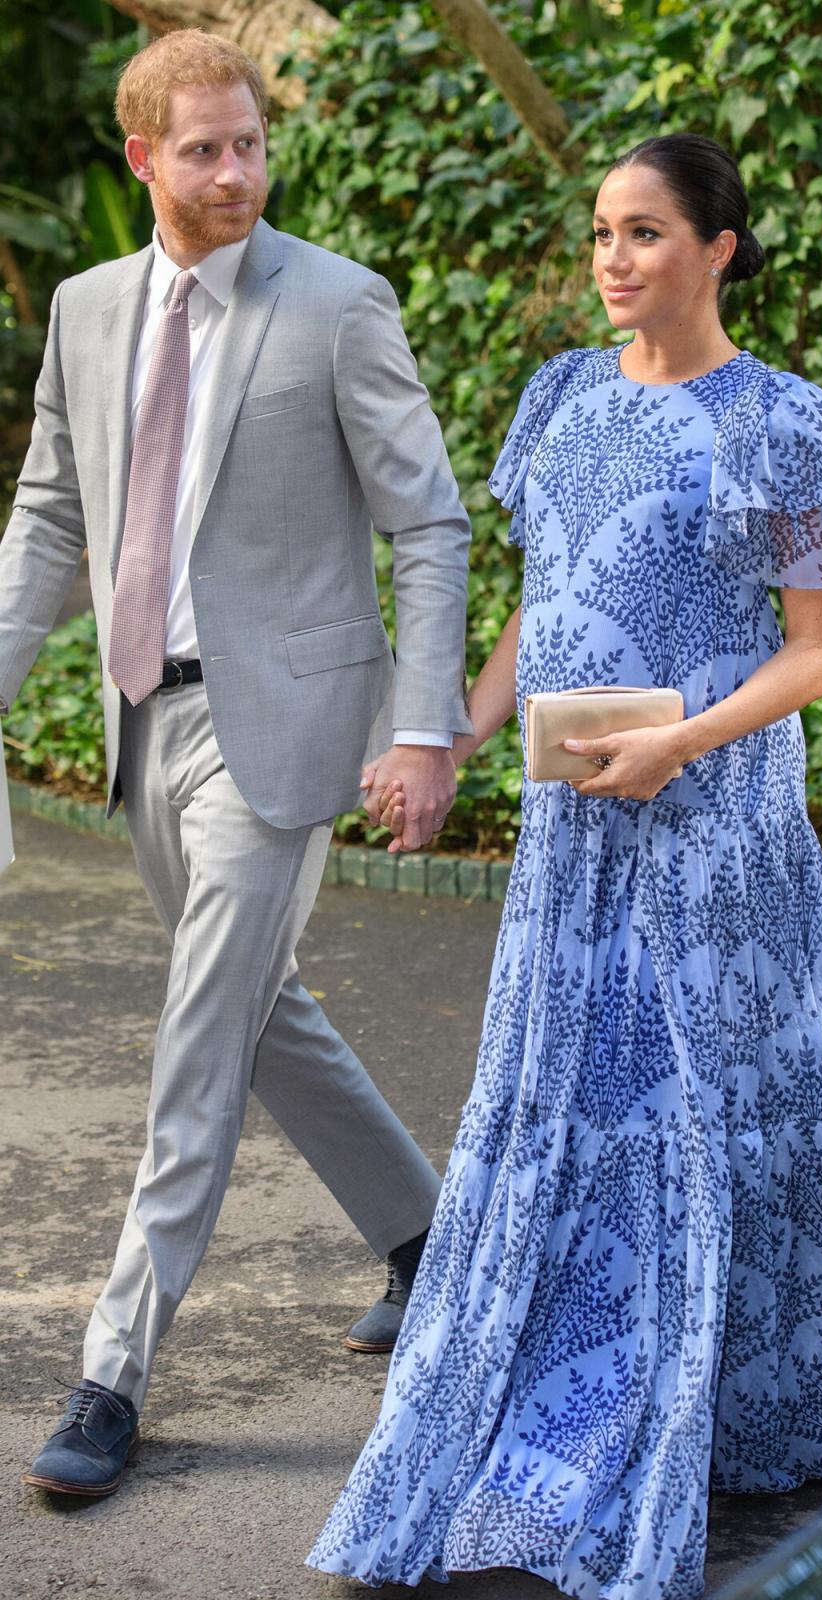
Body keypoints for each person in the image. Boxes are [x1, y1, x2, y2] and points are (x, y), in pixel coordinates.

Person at [307, 133, 822, 1599]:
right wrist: (451, 738)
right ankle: (566, 1412)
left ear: (720, 248)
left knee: (719, 1117)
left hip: (720, 846)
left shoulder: (786, 424)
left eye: (647, 233)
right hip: (570, 843)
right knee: (576, 1114)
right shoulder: (561, 398)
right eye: (604, 232)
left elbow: (818, 651)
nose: (614, 258)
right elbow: (541, 613)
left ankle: (738, 1404)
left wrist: (684, 747)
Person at [0, 28, 472, 1499]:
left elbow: (430, 522)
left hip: (283, 730)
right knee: (261, 1009)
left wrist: (419, 723)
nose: (235, 172)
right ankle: (429, 1241)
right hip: (146, 716)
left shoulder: (337, 303)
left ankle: (113, 1372)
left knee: (199, 1038)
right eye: (201, 149)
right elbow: (53, 523)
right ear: (141, 159)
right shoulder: (85, 309)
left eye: (250, 140)